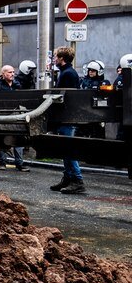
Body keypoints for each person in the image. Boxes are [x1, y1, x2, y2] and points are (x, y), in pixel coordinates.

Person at [50, 47, 85, 194]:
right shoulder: (66, 72)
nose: (54, 59)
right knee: (65, 150)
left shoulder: (68, 74)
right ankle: (68, 178)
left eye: (56, 57)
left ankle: (77, 180)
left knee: (68, 150)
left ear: (62, 58)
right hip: (65, 117)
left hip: (67, 118)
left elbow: (64, 97)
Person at [0, 65, 30, 172]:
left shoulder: (17, 85)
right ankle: (2, 162)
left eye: (13, 72)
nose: (12, 74)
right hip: (4, 114)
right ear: (3, 74)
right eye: (9, 72)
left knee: (18, 139)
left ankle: (19, 163)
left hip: (16, 113)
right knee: (2, 138)